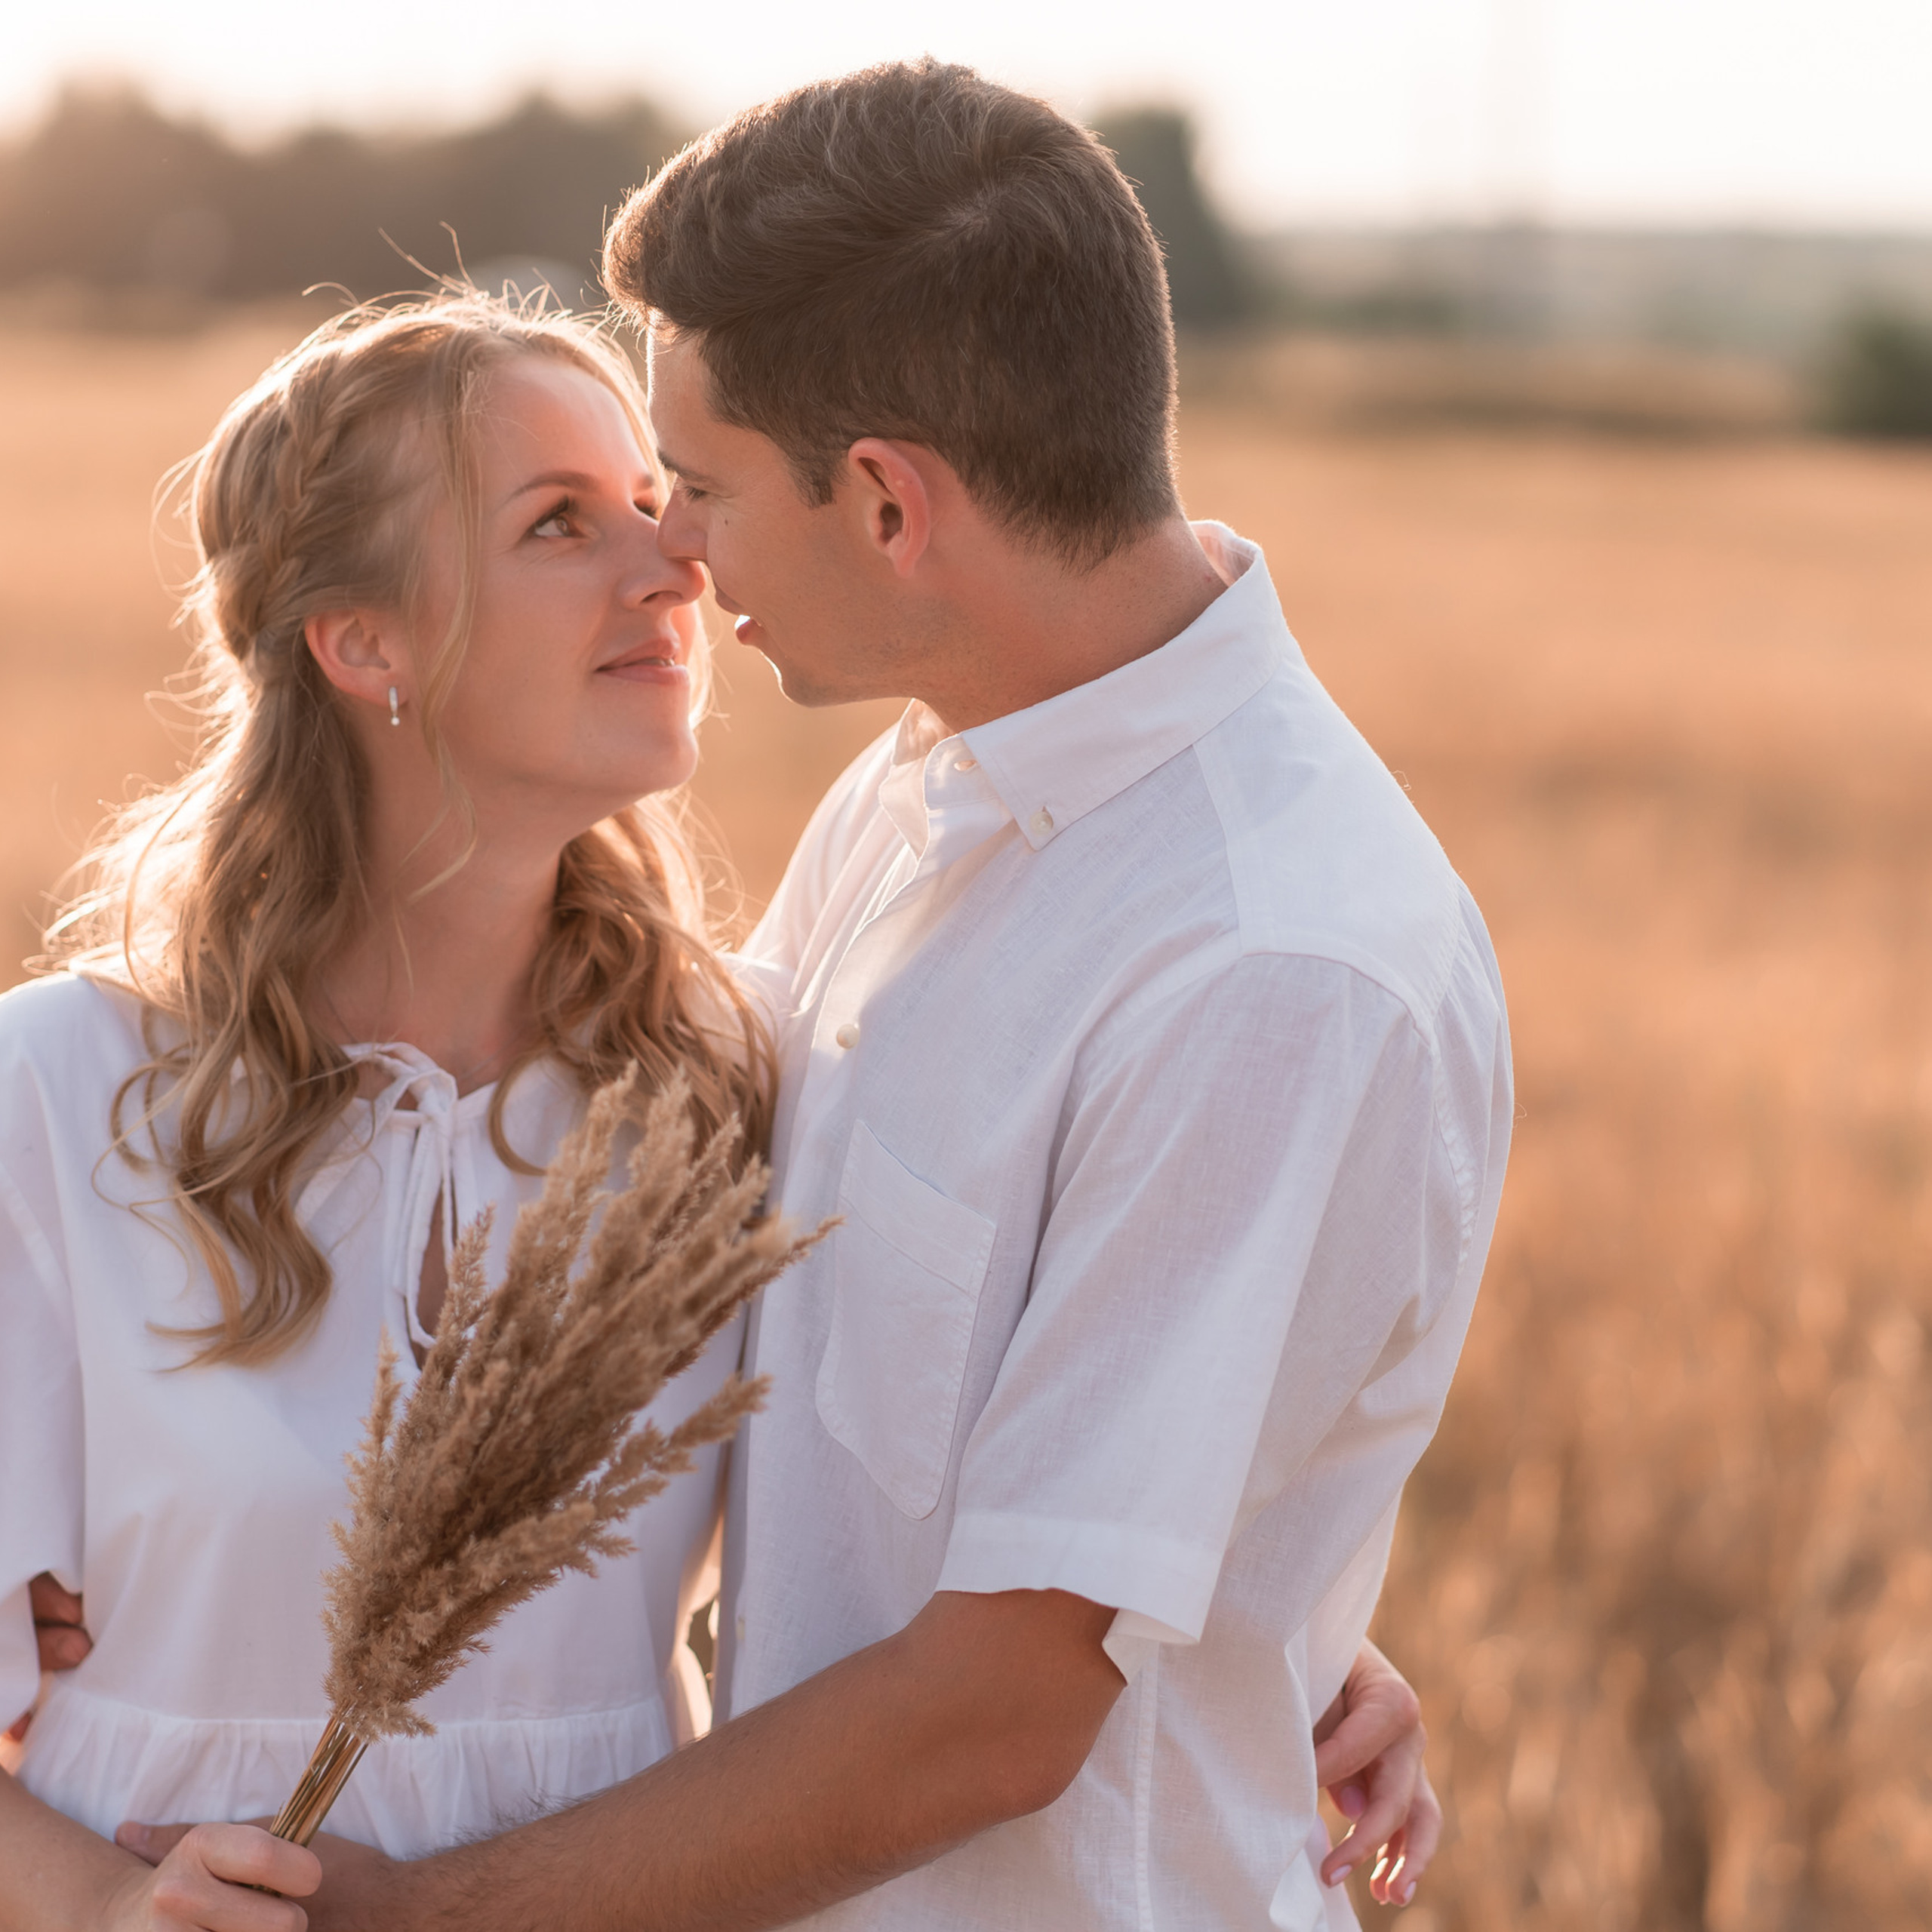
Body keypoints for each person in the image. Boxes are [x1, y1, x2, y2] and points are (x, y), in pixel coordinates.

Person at [135, 59, 1506, 1932]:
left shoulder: (1268, 965)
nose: (669, 552)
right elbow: (652, 1263)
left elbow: (996, 1714)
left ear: (884, 504)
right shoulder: (932, 781)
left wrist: (415, 1916)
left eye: (690, 486)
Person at [0, 295, 778, 1926]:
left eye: (654, 504)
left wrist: (1288, 1652)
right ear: (364, 642)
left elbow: (946, 1498)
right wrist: (95, 1905)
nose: (673, 568)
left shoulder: (723, 1080)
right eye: (561, 523)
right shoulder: (63, 1092)